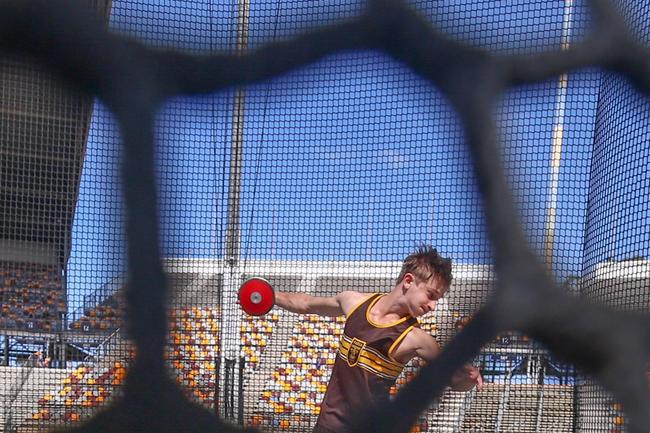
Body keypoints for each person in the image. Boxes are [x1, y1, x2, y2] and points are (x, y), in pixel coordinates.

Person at [274, 245, 483, 433]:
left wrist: (469, 378)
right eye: (431, 295)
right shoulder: (353, 302)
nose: (433, 306)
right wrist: (269, 293)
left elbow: (455, 380)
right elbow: (306, 303)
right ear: (409, 281)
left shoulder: (416, 338)